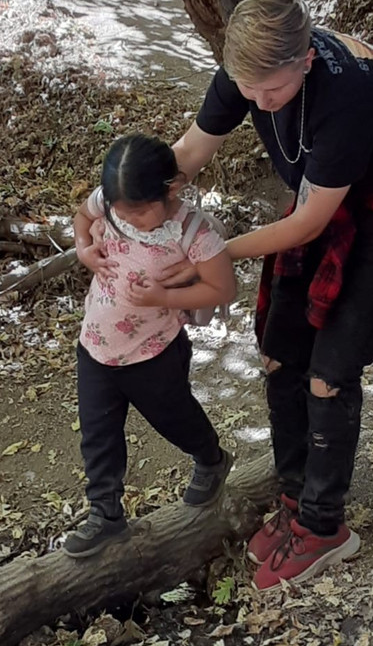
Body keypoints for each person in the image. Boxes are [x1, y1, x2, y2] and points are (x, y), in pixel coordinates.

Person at [163, 0, 373, 589]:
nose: (257, 101)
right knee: (279, 351)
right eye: (247, 89)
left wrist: (214, 254)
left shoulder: (347, 95)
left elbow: (307, 225)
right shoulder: (248, 72)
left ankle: (327, 529)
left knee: (330, 368)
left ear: (302, 61)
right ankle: (297, 500)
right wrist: (127, 204)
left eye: (270, 91)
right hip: (320, 197)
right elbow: (190, 153)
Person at [64, 134, 238, 558]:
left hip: (152, 352)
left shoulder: (191, 231)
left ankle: (211, 458)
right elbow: (80, 220)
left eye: (140, 212)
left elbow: (224, 288)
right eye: (123, 212)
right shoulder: (108, 200)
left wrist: (167, 299)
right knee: (98, 434)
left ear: (172, 188)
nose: (133, 220)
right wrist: (84, 251)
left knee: (175, 419)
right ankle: (105, 513)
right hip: (97, 346)